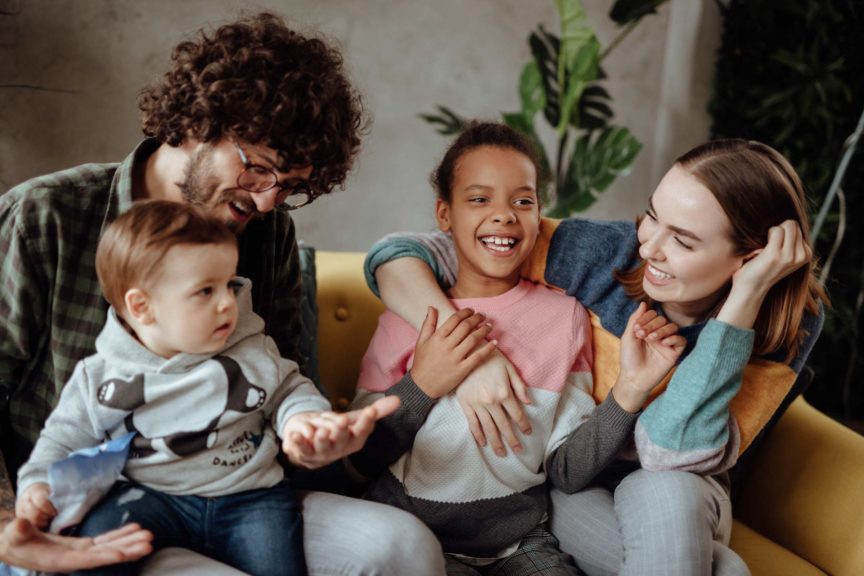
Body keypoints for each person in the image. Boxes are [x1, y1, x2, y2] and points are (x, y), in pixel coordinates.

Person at [0, 12, 445, 575]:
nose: (265, 203)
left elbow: (278, 379)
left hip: (236, 493)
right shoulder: (45, 217)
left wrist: (305, 439)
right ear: (198, 122)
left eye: (289, 188)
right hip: (80, 515)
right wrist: (10, 526)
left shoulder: (266, 233)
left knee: (402, 546)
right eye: (259, 169)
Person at [365, 138, 828, 575]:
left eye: (683, 241)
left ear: (748, 260)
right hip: (580, 482)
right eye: (651, 216)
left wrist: (739, 309)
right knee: (724, 571)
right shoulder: (605, 252)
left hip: (687, 486)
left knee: (664, 488)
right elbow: (403, 253)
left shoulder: (788, 324)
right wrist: (471, 356)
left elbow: (671, 454)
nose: (649, 248)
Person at [348, 123, 685, 575]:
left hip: (521, 544)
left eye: (522, 201)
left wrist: (631, 390)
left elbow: (566, 470)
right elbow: (360, 459)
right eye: (479, 199)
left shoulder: (564, 318)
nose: (504, 215)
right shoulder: (410, 315)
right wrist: (422, 386)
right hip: (417, 542)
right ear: (444, 214)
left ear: (539, 215)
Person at [15, 200, 401, 575]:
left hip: (249, 497)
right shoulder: (99, 376)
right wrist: (37, 487)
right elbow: (61, 440)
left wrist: (303, 421)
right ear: (142, 307)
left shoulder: (251, 348)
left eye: (229, 285)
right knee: (95, 552)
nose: (226, 304)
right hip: (149, 495)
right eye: (205, 291)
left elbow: (289, 391)